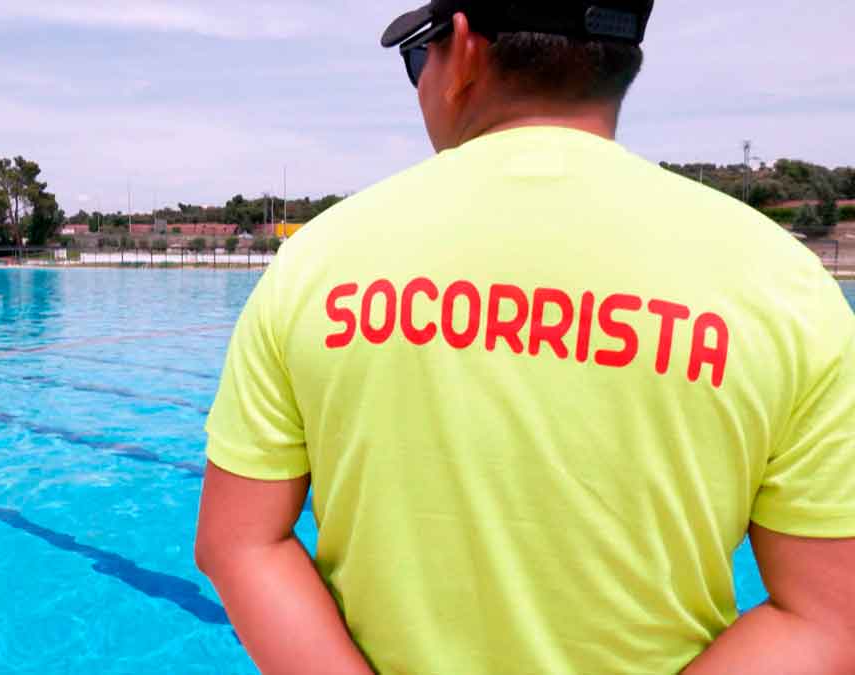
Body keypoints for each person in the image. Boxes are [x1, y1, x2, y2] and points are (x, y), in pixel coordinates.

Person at [195, 2, 855, 673]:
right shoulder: (785, 286)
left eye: (418, 58)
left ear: (463, 52)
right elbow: (827, 615)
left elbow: (239, 543)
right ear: (626, 64)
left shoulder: (318, 263)